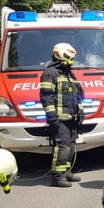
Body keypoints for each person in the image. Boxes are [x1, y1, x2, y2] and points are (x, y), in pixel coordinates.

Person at [40, 42, 84, 187]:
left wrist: (81, 111)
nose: (73, 60)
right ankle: (57, 176)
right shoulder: (50, 73)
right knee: (63, 147)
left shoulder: (69, 73)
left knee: (71, 146)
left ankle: (66, 172)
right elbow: (46, 96)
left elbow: (78, 96)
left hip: (71, 117)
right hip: (60, 119)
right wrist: (51, 116)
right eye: (71, 57)